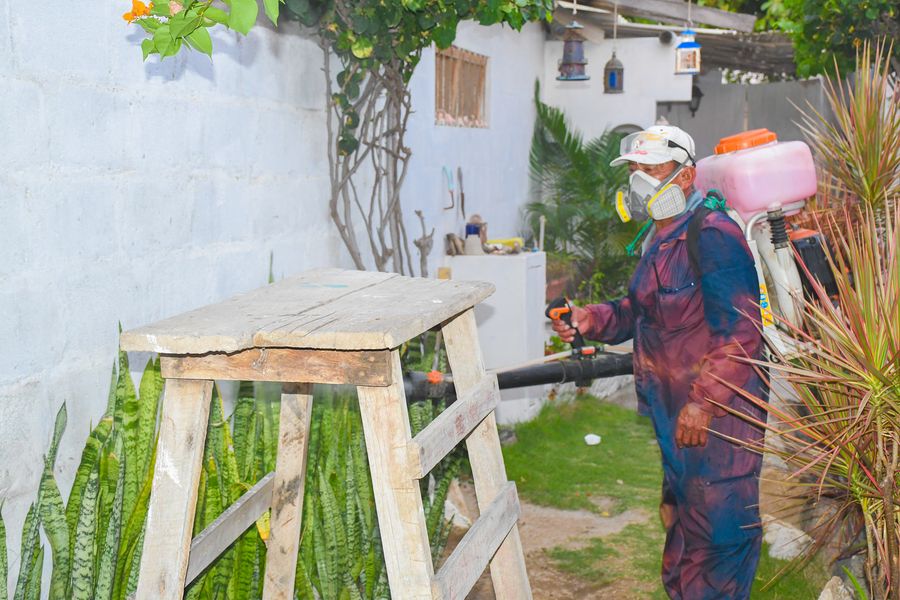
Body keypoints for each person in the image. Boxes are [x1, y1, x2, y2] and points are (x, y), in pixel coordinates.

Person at [551, 126, 768, 599]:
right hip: (676, 418)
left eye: (651, 169)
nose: (639, 180)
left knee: (718, 545)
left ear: (686, 177)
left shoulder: (712, 234)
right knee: (682, 536)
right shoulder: (660, 236)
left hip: (718, 423)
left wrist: (704, 403)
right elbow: (642, 311)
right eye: (634, 169)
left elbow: (742, 332)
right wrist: (591, 318)